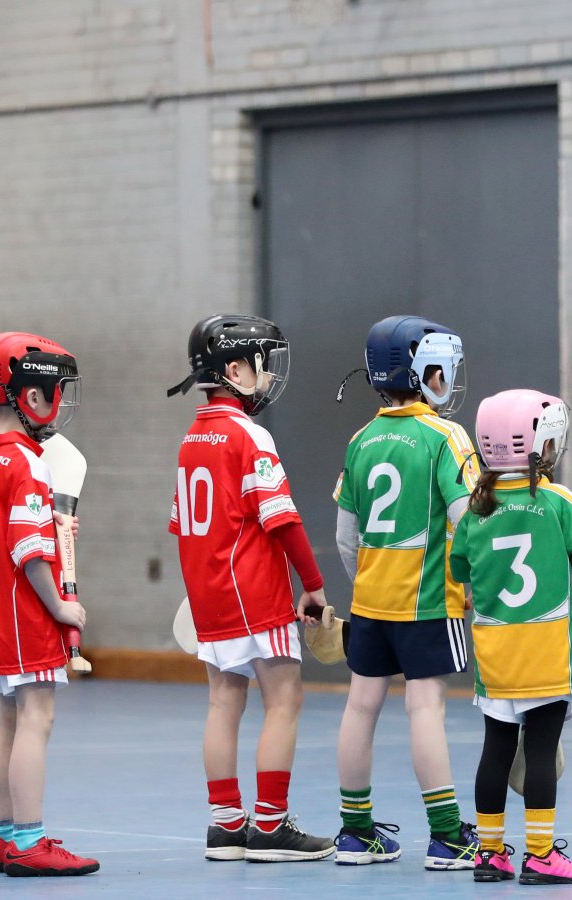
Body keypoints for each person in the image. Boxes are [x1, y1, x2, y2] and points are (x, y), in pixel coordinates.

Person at [167, 314, 335, 863]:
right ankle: (270, 826)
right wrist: (311, 585)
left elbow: (182, 527)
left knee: (223, 700)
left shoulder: (192, 438)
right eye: (261, 366)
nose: (267, 378)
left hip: (210, 592)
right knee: (285, 698)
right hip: (255, 591)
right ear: (235, 369)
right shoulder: (249, 435)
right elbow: (282, 519)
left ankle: (226, 825)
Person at [331, 314, 481, 870]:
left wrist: (369, 583)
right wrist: (466, 583)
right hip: (427, 603)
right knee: (425, 706)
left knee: (359, 705)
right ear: (422, 372)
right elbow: (468, 519)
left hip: (370, 601)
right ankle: (446, 837)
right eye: (443, 369)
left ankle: (354, 831)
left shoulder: (361, 438)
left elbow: (347, 536)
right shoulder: (447, 437)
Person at [0, 331, 98, 876]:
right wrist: (60, 604)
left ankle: (4, 836)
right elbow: (29, 548)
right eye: (56, 390)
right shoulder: (31, 462)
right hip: (21, 608)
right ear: (33, 398)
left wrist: (51, 523)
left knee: (8, 720)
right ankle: (30, 844)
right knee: (38, 715)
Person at [449, 389, 572, 884]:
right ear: (542, 445)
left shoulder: (475, 507)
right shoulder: (557, 502)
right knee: (539, 751)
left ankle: (489, 854)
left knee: (495, 750)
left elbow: (457, 566)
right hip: (548, 653)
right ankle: (540, 854)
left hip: (496, 654)